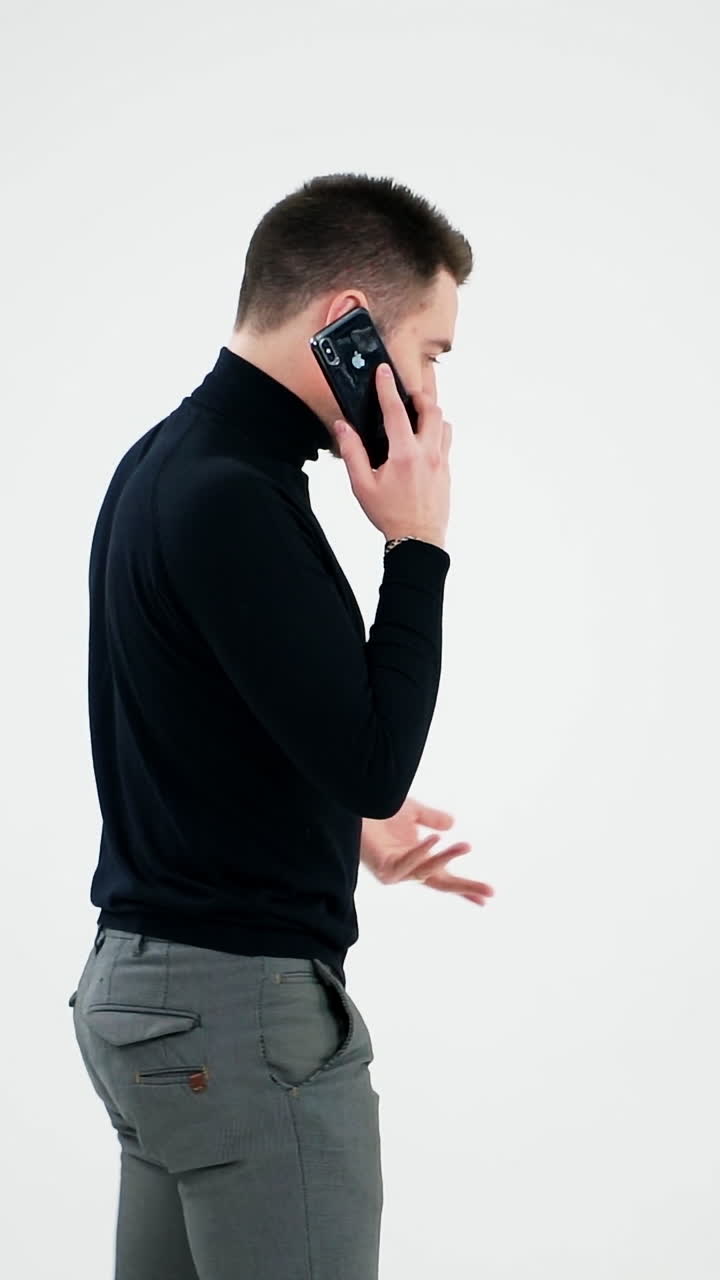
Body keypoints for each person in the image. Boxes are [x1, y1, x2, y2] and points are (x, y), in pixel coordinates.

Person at [68, 172, 483, 1279]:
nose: (437, 387)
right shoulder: (235, 497)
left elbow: (199, 712)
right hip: (237, 1013)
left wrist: (345, 822)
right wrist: (418, 545)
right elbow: (372, 755)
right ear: (346, 321)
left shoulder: (171, 463)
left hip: (145, 998)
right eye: (433, 350)